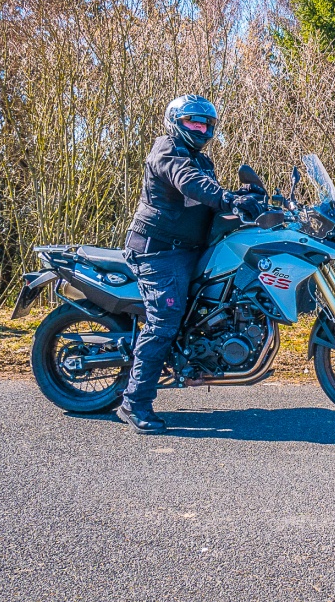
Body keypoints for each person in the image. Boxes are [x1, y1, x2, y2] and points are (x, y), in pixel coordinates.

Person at [116, 95, 263, 434]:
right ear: (175, 122)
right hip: (159, 252)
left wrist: (248, 198)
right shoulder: (167, 151)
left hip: (187, 249)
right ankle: (134, 403)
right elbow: (190, 184)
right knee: (164, 322)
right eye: (193, 122)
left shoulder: (200, 159)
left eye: (205, 124)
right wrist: (228, 198)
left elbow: (209, 193)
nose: (200, 128)